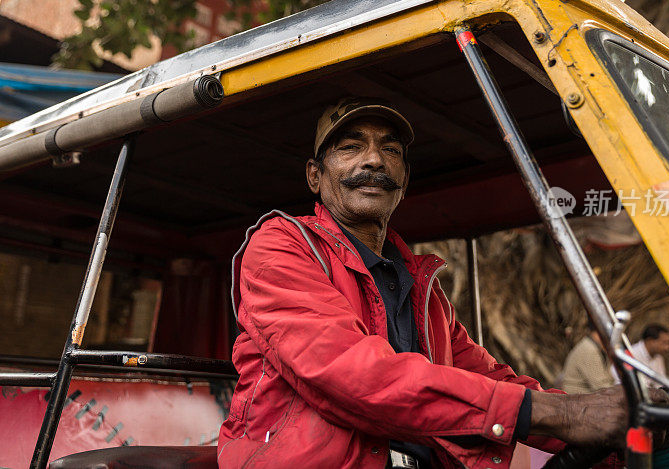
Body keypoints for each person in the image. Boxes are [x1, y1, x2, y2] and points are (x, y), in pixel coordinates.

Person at [217, 98, 628, 469]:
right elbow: (352, 373)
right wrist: (564, 415)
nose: (374, 161)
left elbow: (489, 381)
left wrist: (614, 426)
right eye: (351, 147)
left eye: (390, 150)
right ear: (314, 176)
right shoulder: (282, 245)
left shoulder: (421, 286)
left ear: (405, 178)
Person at [561, 330, 617, 394]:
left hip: (585, 395)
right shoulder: (589, 350)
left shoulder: (593, 346)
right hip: (578, 397)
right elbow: (601, 386)